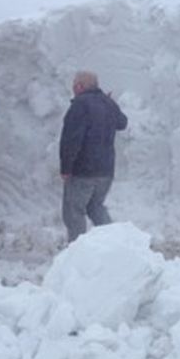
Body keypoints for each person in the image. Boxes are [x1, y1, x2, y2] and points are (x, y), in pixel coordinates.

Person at [59, 70, 128, 242]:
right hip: (106, 171)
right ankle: (115, 243)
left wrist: (66, 168)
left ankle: (77, 251)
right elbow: (122, 123)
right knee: (95, 207)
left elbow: (71, 139)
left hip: (83, 171)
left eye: (74, 85)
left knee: (73, 212)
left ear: (80, 86)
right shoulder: (108, 103)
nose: (73, 89)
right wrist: (111, 103)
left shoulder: (80, 105)